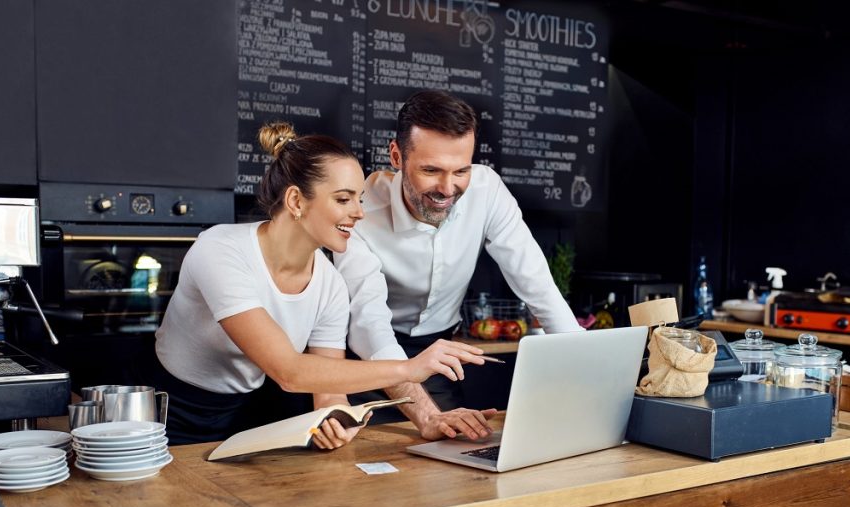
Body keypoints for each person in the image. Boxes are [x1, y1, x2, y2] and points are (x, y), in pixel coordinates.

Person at [150, 122, 489, 446]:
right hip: (170, 414)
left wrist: (335, 417)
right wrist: (410, 369)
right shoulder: (220, 250)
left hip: (253, 414)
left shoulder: (330, 286)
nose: (359, 213)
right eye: (343, 199)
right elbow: (289, 371)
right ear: (296, 201)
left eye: (359, 199)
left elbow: (328, 388)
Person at [333, 90, 581, 440]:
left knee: (449, 462)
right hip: (366, 361)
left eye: (461, 170)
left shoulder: (487, 191)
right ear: (396, 156)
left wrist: (586, 368)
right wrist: (425, 417)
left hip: (439, 354)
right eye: (431, 170)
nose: (447, 188)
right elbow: (368, 325)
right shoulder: (360, 213)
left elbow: (536, 282)